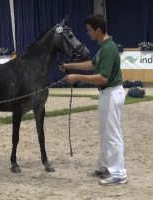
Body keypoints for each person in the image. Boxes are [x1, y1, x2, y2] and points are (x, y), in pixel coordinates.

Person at [59, 14, 127, 186]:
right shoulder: (104, 46)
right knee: (105, 134)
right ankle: (104, 167)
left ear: (98, 29)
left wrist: (77, 77)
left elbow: (103, 78)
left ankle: (119, 174)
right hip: (107, 94)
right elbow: (91, 64)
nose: (88, 33)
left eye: (89, 30)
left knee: (112, 135)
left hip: (111, 93)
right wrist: (70, 66)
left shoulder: (109, 49)